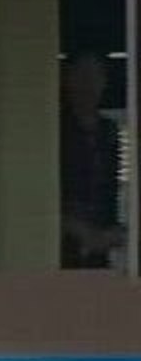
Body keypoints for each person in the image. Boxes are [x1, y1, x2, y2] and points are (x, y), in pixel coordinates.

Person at [60, 48, 124, 268]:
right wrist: (76, 228)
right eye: (81, 75)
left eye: (95, 76)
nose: (88, 84)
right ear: (67, 79)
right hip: (60, 241)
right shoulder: (55, 128)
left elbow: (110, 190)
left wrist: (113, 232)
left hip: (100, 241)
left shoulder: (109, 131)